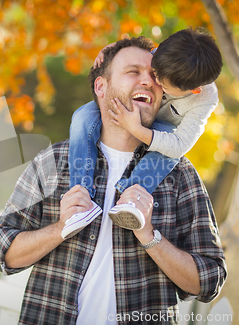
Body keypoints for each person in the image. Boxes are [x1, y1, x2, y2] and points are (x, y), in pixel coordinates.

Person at [0, 36, 226, 325]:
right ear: (101, 87)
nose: (149, 81)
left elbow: (209, 280)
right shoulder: (54, 161)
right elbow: (1, 249)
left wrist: (149, 236)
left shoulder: (180, 175)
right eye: (133, 72)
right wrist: (60, 229)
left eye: (154, 76)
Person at [67, 28, 222, 236]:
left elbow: (180, 145)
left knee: (169, 154)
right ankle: (81, 193)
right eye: (155, 70)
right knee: (81, 116)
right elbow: (136, 50)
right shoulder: (164, 54)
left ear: (193, 90)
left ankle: (132, 197)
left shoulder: (205, 99)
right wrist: (111, 49)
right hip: (130, 109)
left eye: (161, 82)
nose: (151, 81)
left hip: (159, 131)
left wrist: (137, 130)